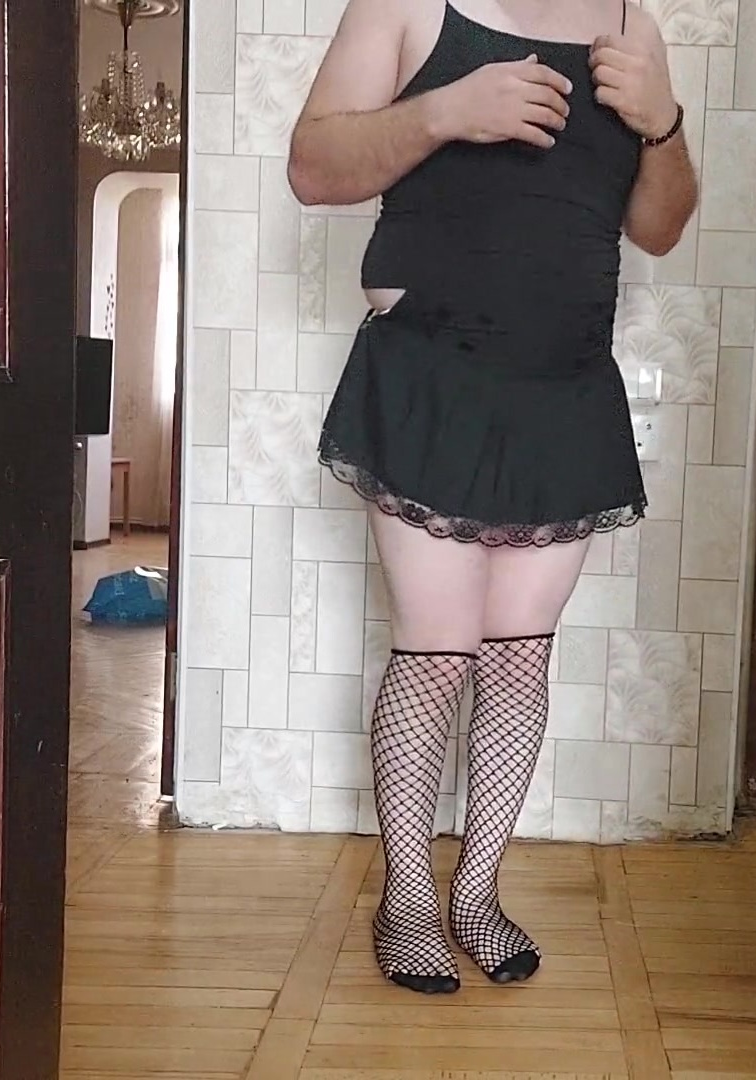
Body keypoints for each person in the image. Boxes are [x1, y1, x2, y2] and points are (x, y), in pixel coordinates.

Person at [287, 0, 698, 995]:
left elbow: (660, 228)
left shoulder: (632, 24)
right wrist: (444, 111)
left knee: (519, 655)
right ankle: (408, 903)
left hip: (566, 385)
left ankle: (475, 895)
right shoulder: (403, 6)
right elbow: (312, 170)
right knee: (437, 652)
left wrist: (665, 126)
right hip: (433, 371)